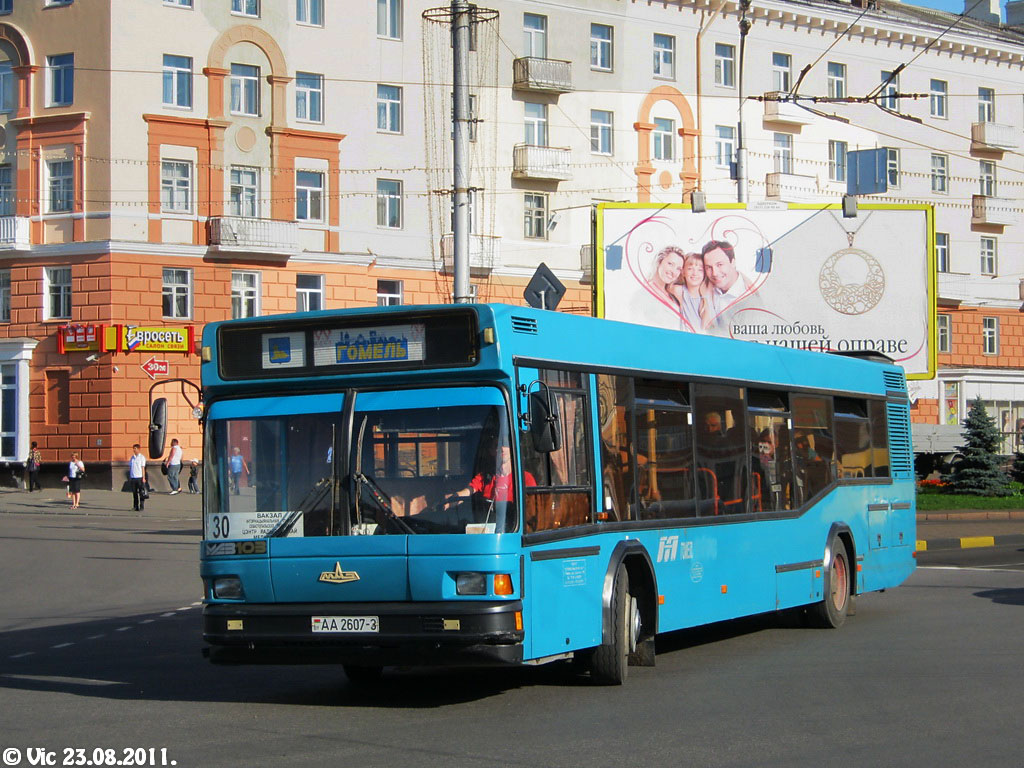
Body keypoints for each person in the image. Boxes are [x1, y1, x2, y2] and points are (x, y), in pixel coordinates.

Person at [701, 240, 763, 335]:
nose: (714, 273)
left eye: (720, 265)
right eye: (709, 267)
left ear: (733, 262)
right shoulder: (703, 286)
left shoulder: (751, 303)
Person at [631, 245, 685, 330]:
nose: (673, 272)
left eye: (678, 269)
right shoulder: (641, 295)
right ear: (659, 262)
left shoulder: (673, 295)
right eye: (670, 264)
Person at [670, 251, 714, 333]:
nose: (695, 273)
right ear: (683, 272)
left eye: (700, 270)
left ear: (705, 274)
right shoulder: (680, 291)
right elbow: (665, 283)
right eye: (690, 269)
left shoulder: (706, 297)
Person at [129, 443, 148, 512]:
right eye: (133, 448)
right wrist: (130, 476)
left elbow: (143, 468)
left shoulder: (142, 458)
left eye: (135, 448)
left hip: (139, 477)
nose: (134, 450)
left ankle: (141, 506)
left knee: (141, 492)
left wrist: (143, 477)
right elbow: (130, 467)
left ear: (139, 449)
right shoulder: (132, 458)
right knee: (134, 493)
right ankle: (135, 506)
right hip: (133, 477)